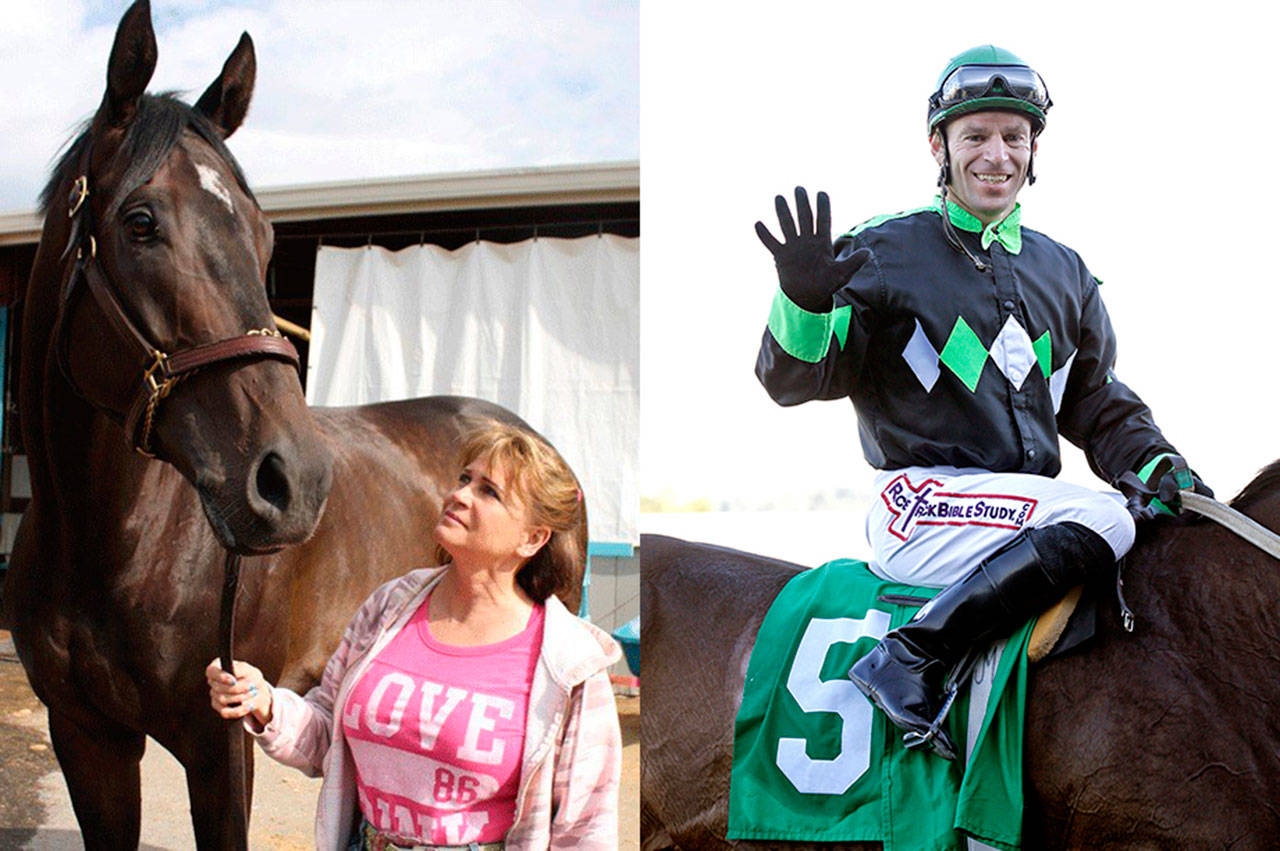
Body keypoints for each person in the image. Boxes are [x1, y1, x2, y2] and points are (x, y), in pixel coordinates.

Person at [753, 45, 1210, 761]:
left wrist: (1160, 464)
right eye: (976, 136)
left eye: (1014, 138)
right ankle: (908, 656)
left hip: (1020, 511)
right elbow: (792, 381)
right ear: (939, 145)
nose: (997, 155)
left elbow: (1096, 401)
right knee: (1101, 514)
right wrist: (803, 302)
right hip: (918, 504)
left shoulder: (1065, 271)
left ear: (1033, 149)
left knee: (1148, 528)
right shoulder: (883, 252)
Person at [206, 421, 621, 850]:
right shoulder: (390, 606)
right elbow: (327, 732)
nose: (459, 495)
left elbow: (585, 830)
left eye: (489, 491)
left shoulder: (571, 663)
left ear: (532, 538)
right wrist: (265, 701)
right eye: (464, 479)